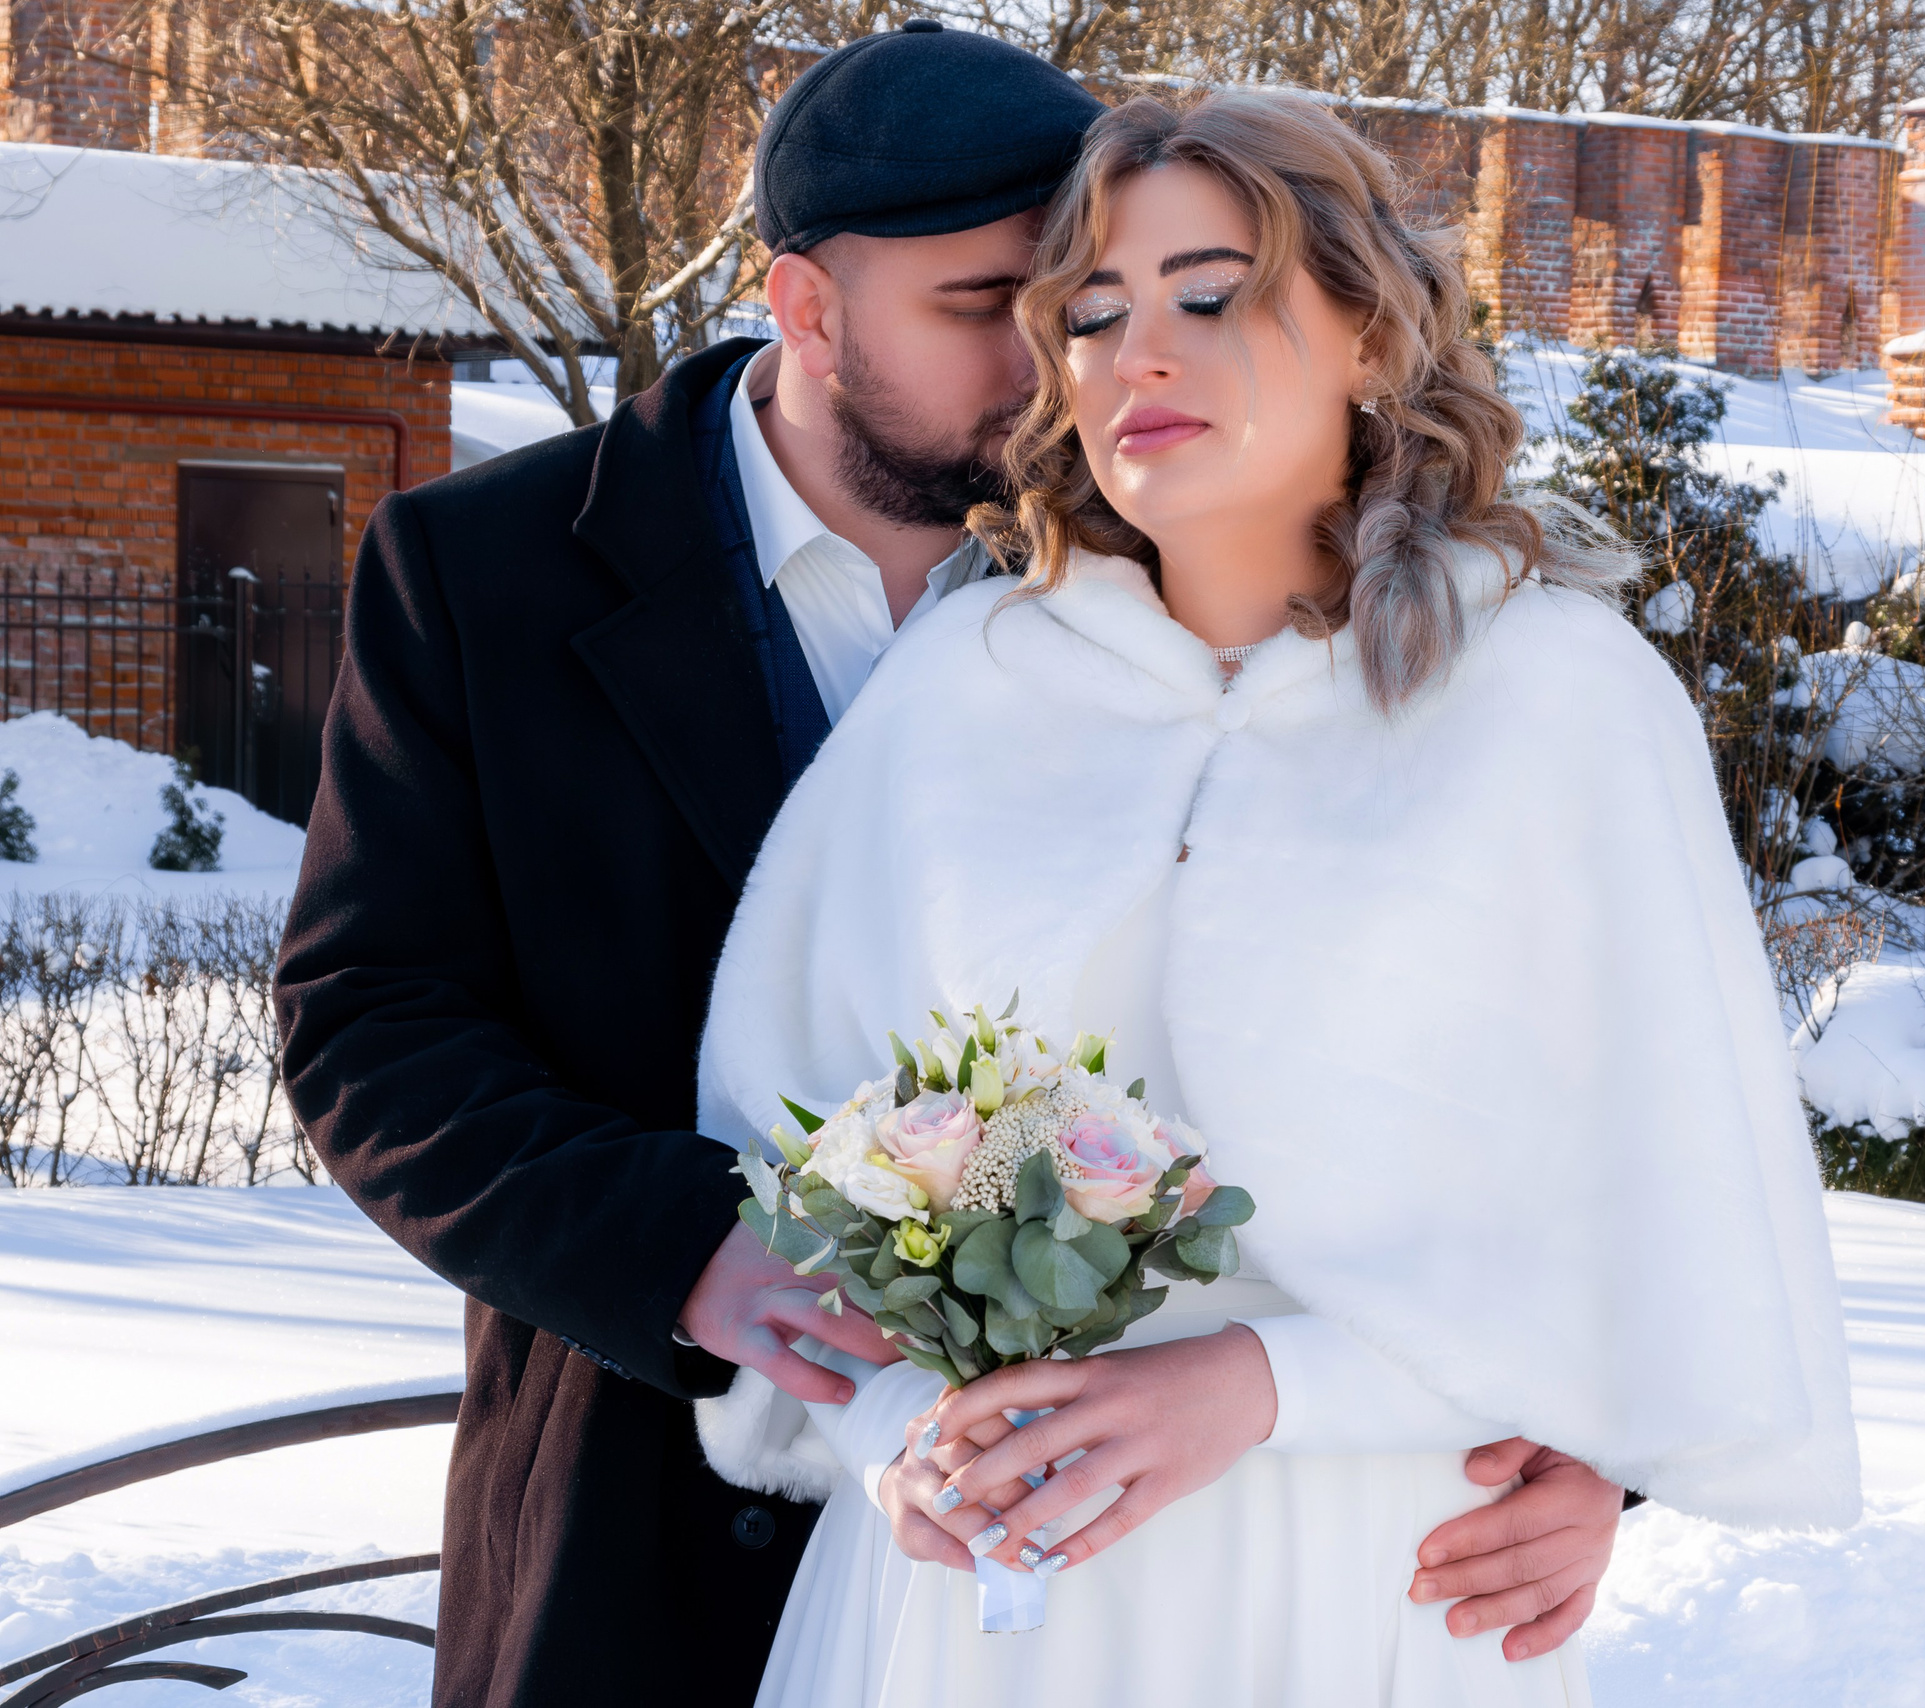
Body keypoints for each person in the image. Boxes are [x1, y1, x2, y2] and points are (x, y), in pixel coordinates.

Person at [275, 27, 1626, 1708]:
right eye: (987, 312)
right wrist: (683, 1255)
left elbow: (1527, 1075)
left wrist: (1579, 1433)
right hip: (640, 1512)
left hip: (1164, 1581)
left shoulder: (1202, 565)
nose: (1060, 365)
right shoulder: (481, 573)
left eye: (1071, 305)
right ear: (810, 309)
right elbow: (374, 1020)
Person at [692, 89, 1861, 1707]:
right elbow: (789, 1136)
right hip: (982, 1591)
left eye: (1211, 293)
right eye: (1088, 315)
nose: (1136, 355)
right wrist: (895, 1435)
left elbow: (1650, 1191)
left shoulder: (1553, 698)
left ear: (1373, 339)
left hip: (1371, 1571)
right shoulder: (961, 689)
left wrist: (1261, 1386)